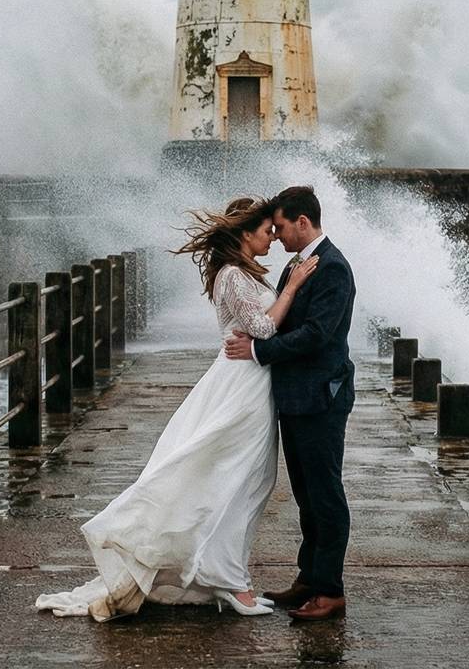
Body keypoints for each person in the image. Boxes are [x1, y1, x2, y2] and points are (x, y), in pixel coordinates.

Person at [34, 195, 320, 622]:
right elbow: (261, 327)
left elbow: (262, 328)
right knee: (234, 481)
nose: (273, 239)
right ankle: (233, 585)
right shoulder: (231, 276)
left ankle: (228, 578)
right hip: (239, 386)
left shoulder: (244, 273)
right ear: (244, 233)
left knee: (249, 481)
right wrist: (293, 288)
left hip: (252, 382)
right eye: (266, 231)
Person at [222, 185, 356, 622]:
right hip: (296, 399)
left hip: (321, 398)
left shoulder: (332, 267)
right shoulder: (297, 265)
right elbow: (278, 322)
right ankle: (309, 576)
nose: (275, 236)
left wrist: (259, 353)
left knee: (325, 494)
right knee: (304, 493)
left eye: (279, 228)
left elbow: (317, 334)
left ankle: (329, 590)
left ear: (303, 222)